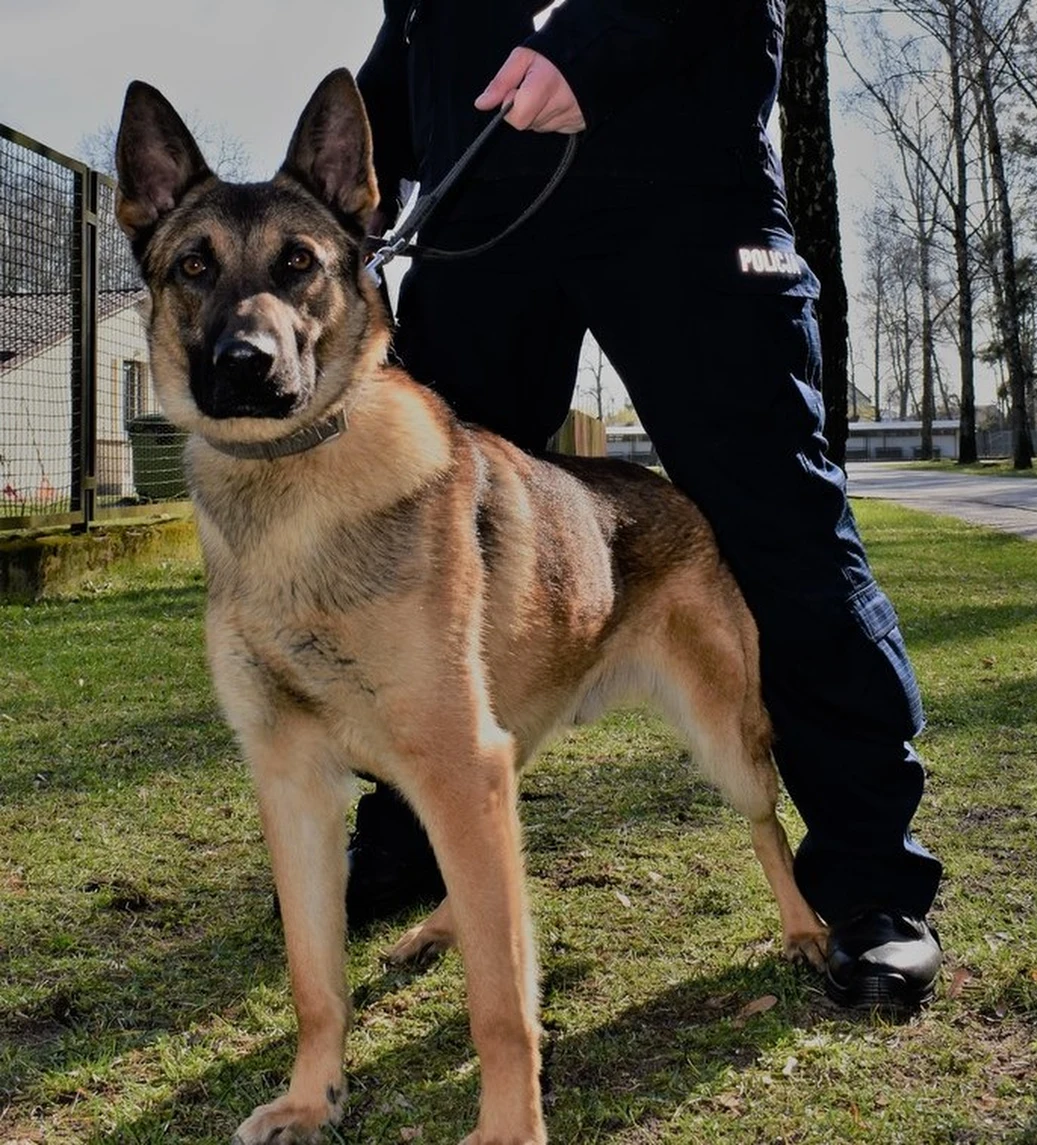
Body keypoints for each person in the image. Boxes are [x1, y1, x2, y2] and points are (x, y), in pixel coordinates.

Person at [349, 0, 944, 1009]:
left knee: (779, 525)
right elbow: (418, 34)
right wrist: (343, 170)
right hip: (481, 215)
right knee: (430, 546)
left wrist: (597, 42)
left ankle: (872, 876)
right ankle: (415, 831)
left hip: (681, 180)